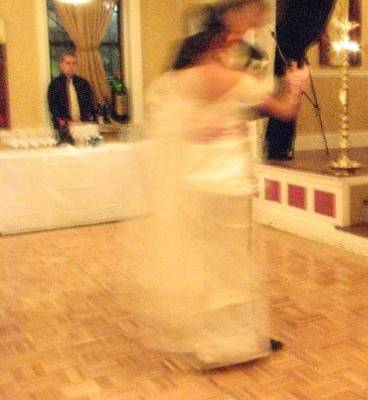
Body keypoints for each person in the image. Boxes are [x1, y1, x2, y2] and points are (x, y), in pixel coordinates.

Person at [116, 0, 308, 371]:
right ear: (219, 41)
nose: (240, 43)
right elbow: (285, 111)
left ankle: (214, 339)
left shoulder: (181, 78)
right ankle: (229, 343)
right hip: (226, 180)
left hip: (195, 179)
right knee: (232, 264)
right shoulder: (233, 77)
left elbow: (160, 106)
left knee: (209, 262)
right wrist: (296, 85)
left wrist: (195, 126)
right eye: (234, 38)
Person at [47, 52, 96, 143]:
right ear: (61, 65)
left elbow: (90, 103)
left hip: (83, 126)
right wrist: (62, 120)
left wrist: (86, 118)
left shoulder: (83, 83)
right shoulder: (55, 84)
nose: (71, 66)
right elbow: (53, 106)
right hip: (64, 128)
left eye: (74, 63)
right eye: (68, 63)